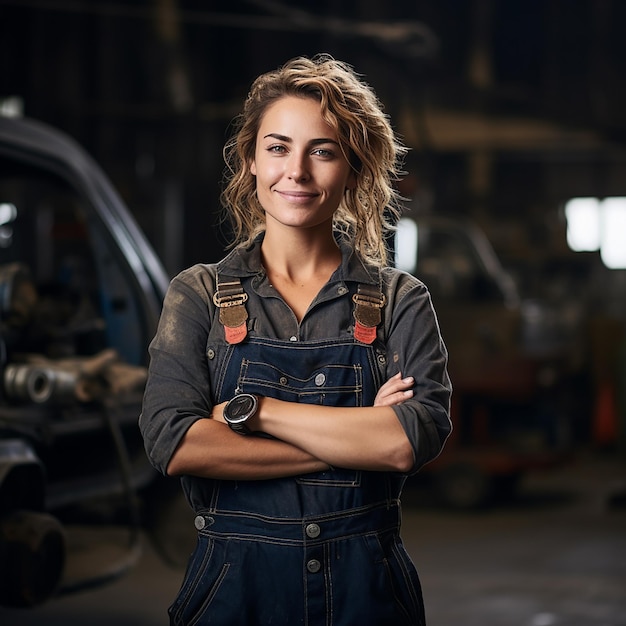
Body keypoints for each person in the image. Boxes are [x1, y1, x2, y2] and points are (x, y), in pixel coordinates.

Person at [139, 54, 452, 626]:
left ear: (353, 168)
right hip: (234, 595)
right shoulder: (199, 295)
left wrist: (253, 412)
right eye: (278, 148)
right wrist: (354, 439)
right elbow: (174, 443)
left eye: (324, 151)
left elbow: (409, 441)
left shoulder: (401, 300)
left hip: (370, 596)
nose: (298, 172)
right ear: (251, 162)